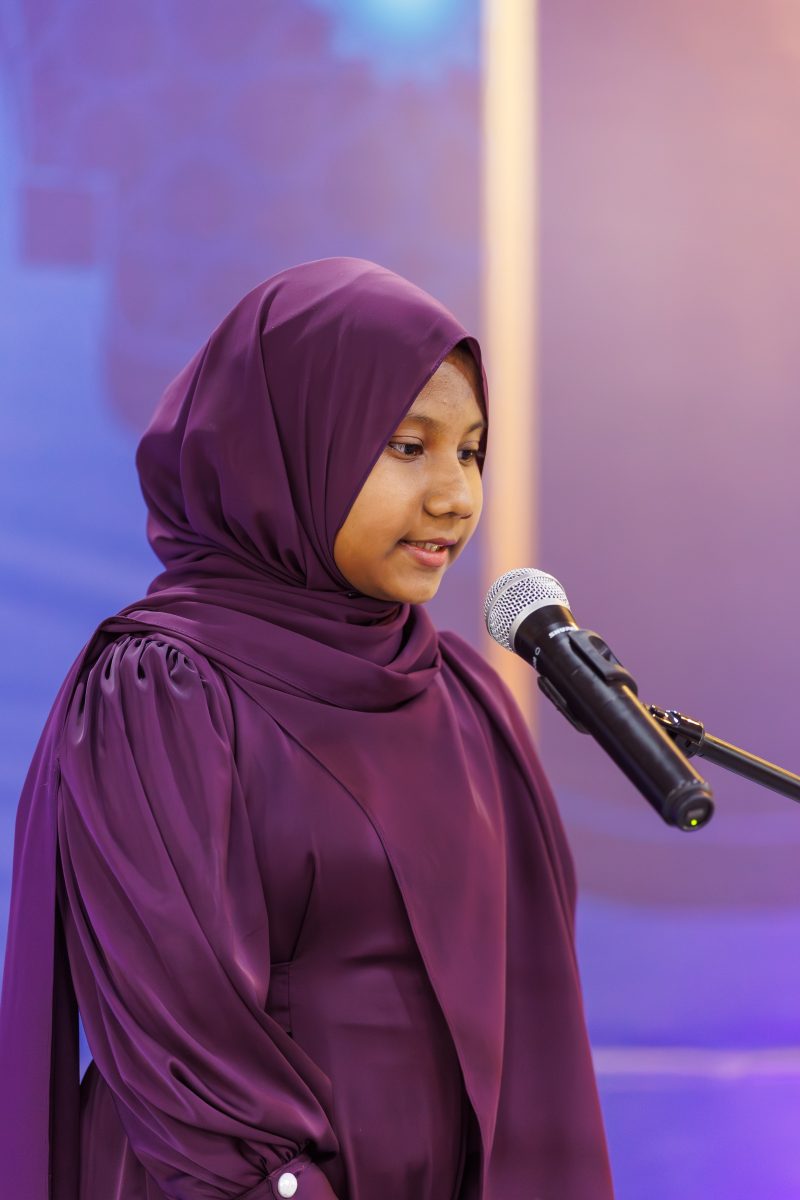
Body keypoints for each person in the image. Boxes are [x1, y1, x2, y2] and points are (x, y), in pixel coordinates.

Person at [0, 257, 614, 1200]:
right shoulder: (164, 690)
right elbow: (183, 1048)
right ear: (285, 446)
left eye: (470, 451)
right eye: (407, 446)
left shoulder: (464, 697)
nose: (455, 495)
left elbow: (531, 1042)